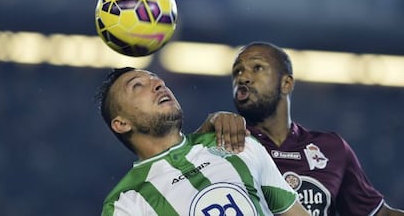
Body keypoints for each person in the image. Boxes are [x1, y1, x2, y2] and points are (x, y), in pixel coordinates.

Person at [196, 42, 404, 216]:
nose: (243, 77)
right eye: (237, 72)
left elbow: (380, 214)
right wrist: (203, 132)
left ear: (286, 84)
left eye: (257, 68)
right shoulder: (225, 145)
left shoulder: (332, 149)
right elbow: (172, 179)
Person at [96, 67, 309, 216]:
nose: (158, 84)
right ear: (121, 124)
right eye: (137, 86)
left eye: (156, 79)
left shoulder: (236, 142)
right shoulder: (125, 203)